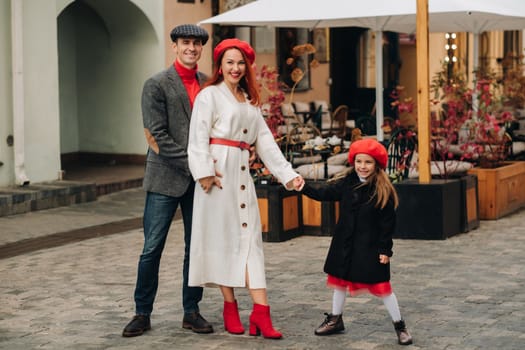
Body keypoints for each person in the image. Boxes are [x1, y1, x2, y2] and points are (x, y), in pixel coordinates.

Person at [187, 38, 305, 339]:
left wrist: (287, 175)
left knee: (251, 242)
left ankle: (261, 314)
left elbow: (264, 141)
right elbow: (197, 136)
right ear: (220, 66)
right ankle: (229, 306)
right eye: (230, 62)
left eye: (240, 63)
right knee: (222, 241)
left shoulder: (250, 101)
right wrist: (203, 173)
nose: (235, 68)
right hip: (216, 176)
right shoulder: (209, 95)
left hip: (241, 175)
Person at [122, 24, 214, 337]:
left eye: (196, 44)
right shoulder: (156, 84)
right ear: (174, 46)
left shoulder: (209, 84)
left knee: (196, 248)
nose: (191, 48)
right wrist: (196, 164)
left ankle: (192, 311)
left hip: (198, 183)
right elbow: (155, 135)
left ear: (201, 49)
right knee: (152, 248)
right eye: (185, 42)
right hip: (165, 178)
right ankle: (141, 312)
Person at [300, 138, 413, 346]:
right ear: (354, 162)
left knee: (383, 287)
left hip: (369, 248)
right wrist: (302, 186)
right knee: (340, 282)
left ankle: (400, 325)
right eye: (359, 161)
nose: (363, 166)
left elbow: (387, 224)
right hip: (344, 244)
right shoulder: (346, 183)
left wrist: (385, 250)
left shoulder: (383, 191)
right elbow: (323, 193)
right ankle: (335, 319)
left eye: (368, 162)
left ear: (377, 164)